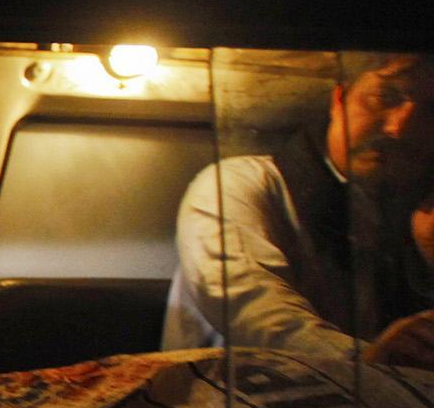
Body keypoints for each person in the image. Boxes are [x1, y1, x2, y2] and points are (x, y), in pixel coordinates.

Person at [164, 54, 434, 368]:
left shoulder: (414, 216)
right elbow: (253, 309)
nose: (399, 128)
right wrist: (371, 363)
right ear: (339, 98)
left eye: (432, 112)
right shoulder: (241, 184)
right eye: (385, 97)